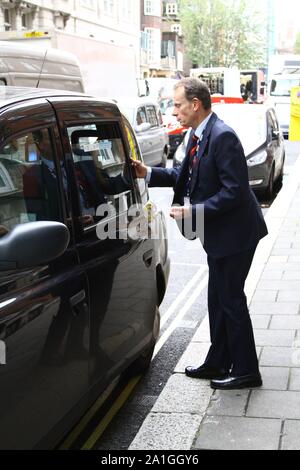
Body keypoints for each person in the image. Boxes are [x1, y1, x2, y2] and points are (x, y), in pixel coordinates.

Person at [131, 77, 268, 390]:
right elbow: (186, 176)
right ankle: (218, 360)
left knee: (231, 300)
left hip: (236, 235)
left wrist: (193, 212)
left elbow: (235, 191)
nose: (174, 110)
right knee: (216, 299)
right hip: (219, 235)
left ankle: (247, 370)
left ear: (195, 104)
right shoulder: (197, 133)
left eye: (178, 105)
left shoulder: (223, 137)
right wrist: (147, 172)